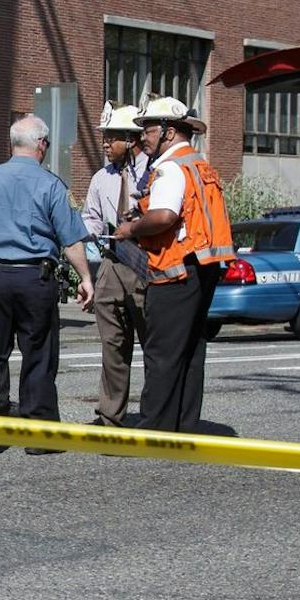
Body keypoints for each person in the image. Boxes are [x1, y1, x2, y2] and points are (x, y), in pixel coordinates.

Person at [0, 115, 93, 458]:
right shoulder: (52, 185)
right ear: (41, 145)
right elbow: (71, 240)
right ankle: (40, 432)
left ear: (13, 144)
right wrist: (85, 278)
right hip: (35, 278)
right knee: (39, 354)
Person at [115, 96, 236, 434]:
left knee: (163, 351)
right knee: (190, 349)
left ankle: (156, 427)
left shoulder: (170, 167)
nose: (143, 138)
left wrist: (131, 228)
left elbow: (166, 216)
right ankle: (184, 423)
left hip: (176, 270)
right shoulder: (198, 164)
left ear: (168, 132)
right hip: (203, 266)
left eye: (148, 130)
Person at [81, 104, 151, 427]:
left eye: (111, 138)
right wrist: (90, 235)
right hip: (111, 262)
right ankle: (110, 415)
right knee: (112, 343)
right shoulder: (100, 178)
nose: (105, 144)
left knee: (152, 342)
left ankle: (155, 414)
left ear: (131, 138)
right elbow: (91, 217)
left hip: (145, 263)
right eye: (104, 138)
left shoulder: (154, 170)